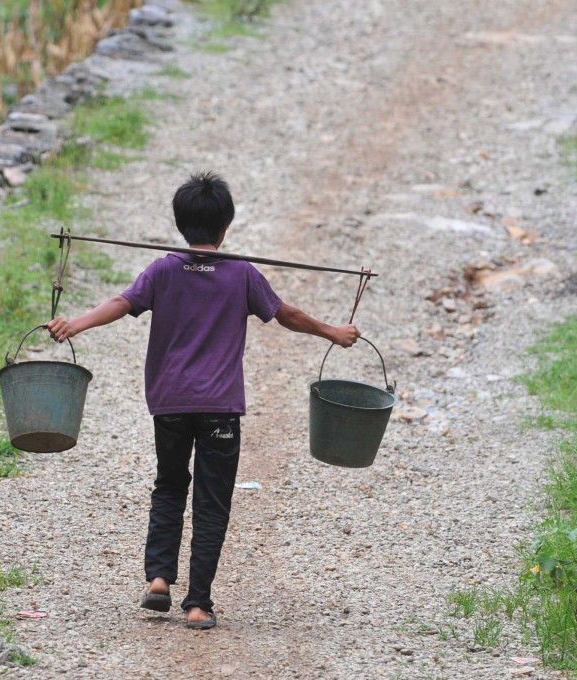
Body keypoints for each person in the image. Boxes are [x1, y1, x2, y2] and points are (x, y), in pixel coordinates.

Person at [47, 172, 360, 630]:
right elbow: (286, 315)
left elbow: (121, 302)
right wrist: (333, 331)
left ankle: (158, 579)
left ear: (180, 224)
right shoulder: (241, 273)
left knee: (170, 485)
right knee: (212, 501)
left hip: (169, 404)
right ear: (225, 228)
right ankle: (197, 604)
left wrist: (74, 324)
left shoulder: (162, 270)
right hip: (220, 408)